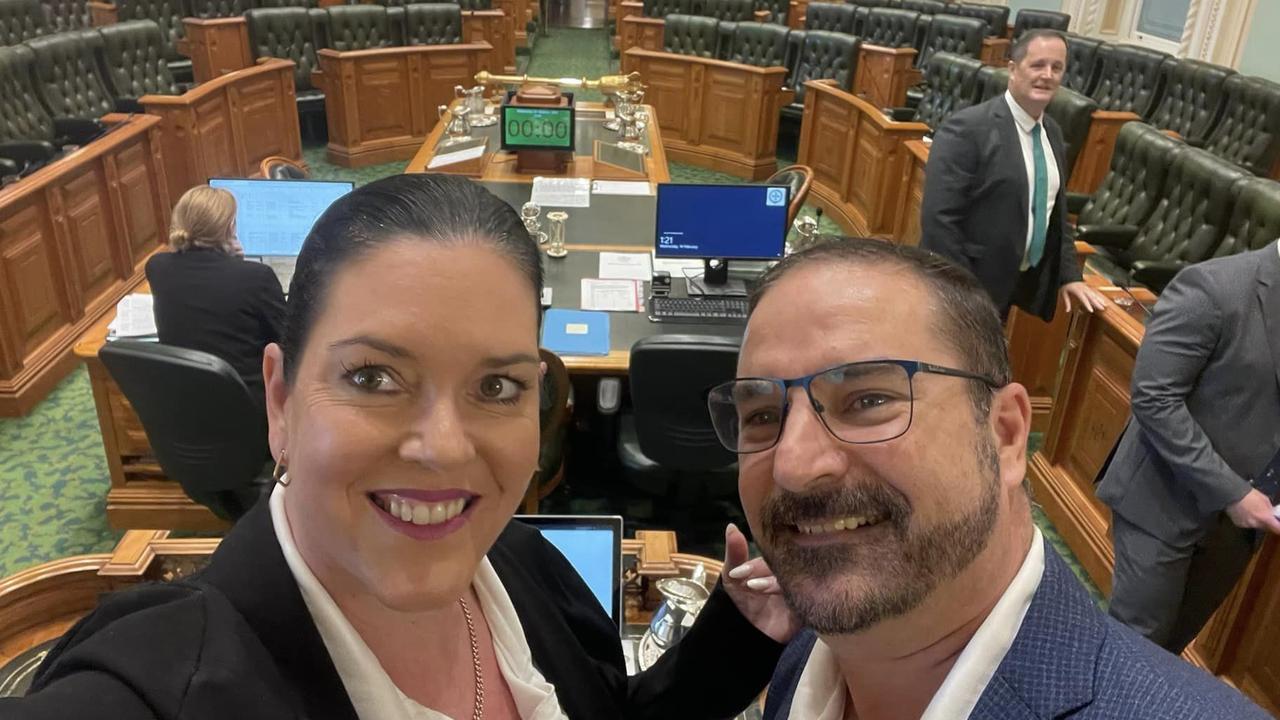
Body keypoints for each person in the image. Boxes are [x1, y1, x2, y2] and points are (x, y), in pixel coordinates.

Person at [3, 174, 794, 719]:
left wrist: (739, 634)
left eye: (498, 387)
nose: (445, 450)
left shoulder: (527, 567)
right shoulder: (152, 683)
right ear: (278, 398)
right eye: (375, 378)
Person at [705, 238, 1267, 718]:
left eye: (869, 399)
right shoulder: (798, 660)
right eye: (762, 416)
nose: (793, 466)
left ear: (1006, 434)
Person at [1098, 240, 1280, 654]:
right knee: (1135, 652)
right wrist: (1233, 492)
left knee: (1168, 654)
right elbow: (1153, 397)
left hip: (1240, 530)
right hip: (1163, 503)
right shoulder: (1214, 287)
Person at [919, 29, 1108, 321]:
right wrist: (967, 294)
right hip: (959, 292)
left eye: (1057, 68)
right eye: (1037, 65)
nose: (1048, 75)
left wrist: (1070, 276)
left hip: (1010, 289)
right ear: (1012, 69)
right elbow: (939, 222)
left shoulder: (1053, 133)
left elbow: (1055, 213)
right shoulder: (967, 129)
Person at [145, 185, 286, 408]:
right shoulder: (256, 277)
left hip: (187, 405)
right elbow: (287, 339)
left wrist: (232, 262)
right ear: (230, 228)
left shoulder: (156, 267)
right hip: (250, 407)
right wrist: (238, 264)